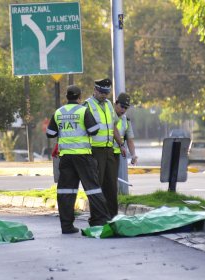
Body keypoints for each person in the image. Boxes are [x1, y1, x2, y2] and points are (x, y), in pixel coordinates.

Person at [46, 85, 111, 234]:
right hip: (83, 156)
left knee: (65, 191)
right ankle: (101, 222)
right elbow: (94, 130)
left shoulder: (59, 112)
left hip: (66, 158)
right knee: (93, 189)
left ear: (67, 96)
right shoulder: (83, 111)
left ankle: (67, 226)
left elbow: (50, 133)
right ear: (79, 97)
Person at [83, 78, 126, 219]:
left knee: (111, 185)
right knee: (97, 185)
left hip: (109, 150)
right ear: (95, 90)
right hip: (95, 150)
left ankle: (112, 216)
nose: (104, 95)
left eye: (106, 92)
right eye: (101, 92)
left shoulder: (108, 105)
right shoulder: (87, 105)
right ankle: (97, 216)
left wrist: (120, 144)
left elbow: (113, 126)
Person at [113, 93, 138, 166]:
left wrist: (133, 155)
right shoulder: (108, 116)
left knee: (113, 177)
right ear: (116, 103)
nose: (123, 110)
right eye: (122, 106)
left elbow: (130, 140)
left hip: (116, 154)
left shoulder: (126, 120)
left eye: (126, 108)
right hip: (104, 152)